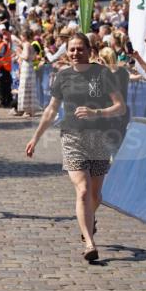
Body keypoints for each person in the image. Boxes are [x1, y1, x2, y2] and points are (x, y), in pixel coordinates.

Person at [25, 32, 126, 263]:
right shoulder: (63, 76)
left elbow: (120, 107)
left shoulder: (102, 74)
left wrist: (97, 112)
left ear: (90, 51)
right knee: (82, 190)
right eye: (71, 49)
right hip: (71, 136)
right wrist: (36, 137)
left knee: (95, 195)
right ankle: (89, 242)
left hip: (99, 137)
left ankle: (88, 220)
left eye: (80, 49)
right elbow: (51, 109)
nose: (75, 53)